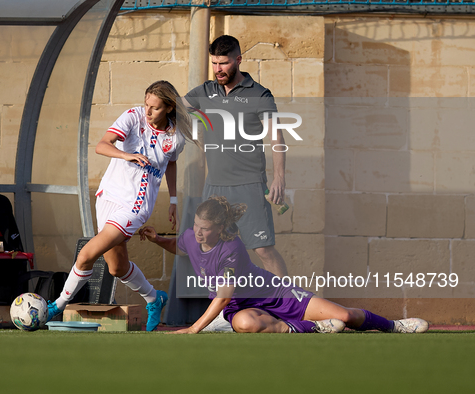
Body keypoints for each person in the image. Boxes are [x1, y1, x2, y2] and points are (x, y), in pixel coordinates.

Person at [139, 196, 429, 334]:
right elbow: (181, 245)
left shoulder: (232, 249)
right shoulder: (193, 237)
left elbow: (224, 294)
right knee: (244, 324)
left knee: (345, 316)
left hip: (276, 293)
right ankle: (312, 329)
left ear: (220, 228)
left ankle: (393, 326)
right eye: (196, 226)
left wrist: (193, 329)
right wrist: (157, 240)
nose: (199, 233)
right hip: (243, 307)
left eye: (205, 228)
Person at [46, 80, 192, 331]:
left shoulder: (176, 136)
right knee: (116, 267)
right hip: (108, 197)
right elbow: (102, 145)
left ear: (168, 108)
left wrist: (174, 201)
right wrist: (127, 155)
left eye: (154, 108)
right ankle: (154, 298)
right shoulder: (133, 117)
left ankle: (57, 305)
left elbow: (172, 163)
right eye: (146, 104)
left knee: (86, 255)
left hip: (134, 207)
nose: (148, 111)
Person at [183, 35, 288, 278]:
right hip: (215, 187)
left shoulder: (260, 95)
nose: (218, 70)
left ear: (238, 60)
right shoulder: (205, 91)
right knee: (211, 249)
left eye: (224, 63)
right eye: (214, 63)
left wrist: (279, 178)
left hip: (249, 186)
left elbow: (277, 138)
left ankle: (288, 303)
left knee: (263, 249)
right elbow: (177, 109)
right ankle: (223, 309)